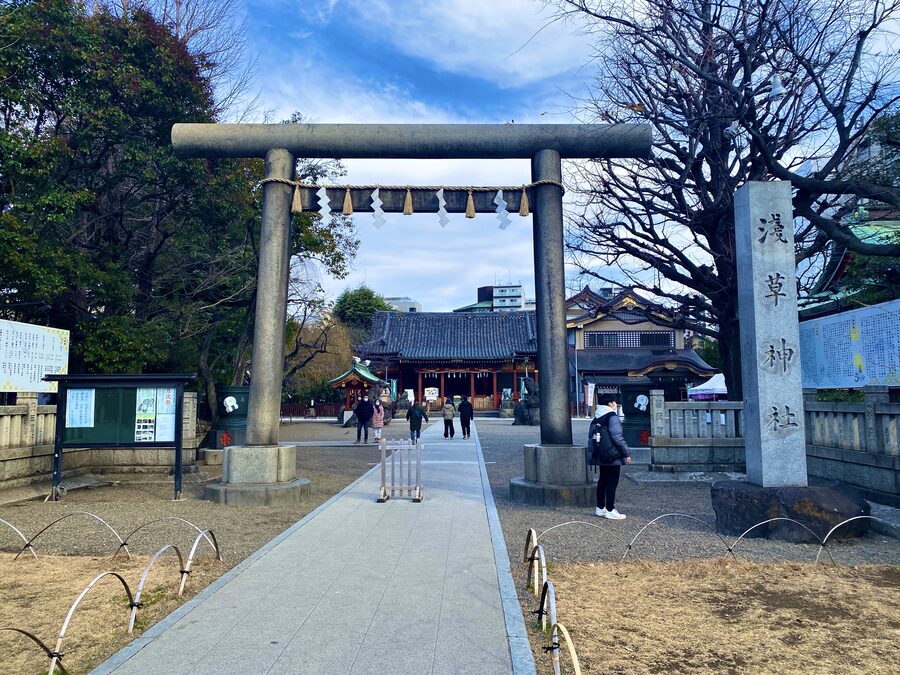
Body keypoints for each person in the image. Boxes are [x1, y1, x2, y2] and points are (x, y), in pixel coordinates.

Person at [588, 394, 632, 520]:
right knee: (612, 482)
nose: (615, 404)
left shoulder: (596, 417)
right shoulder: (612, 417)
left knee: (602, 481)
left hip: (601, 454)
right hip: (613, 455)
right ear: (609, 403)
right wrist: (626, 453)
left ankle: (600, 508)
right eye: (614, 402)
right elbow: (617, 437)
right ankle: (610, 509)